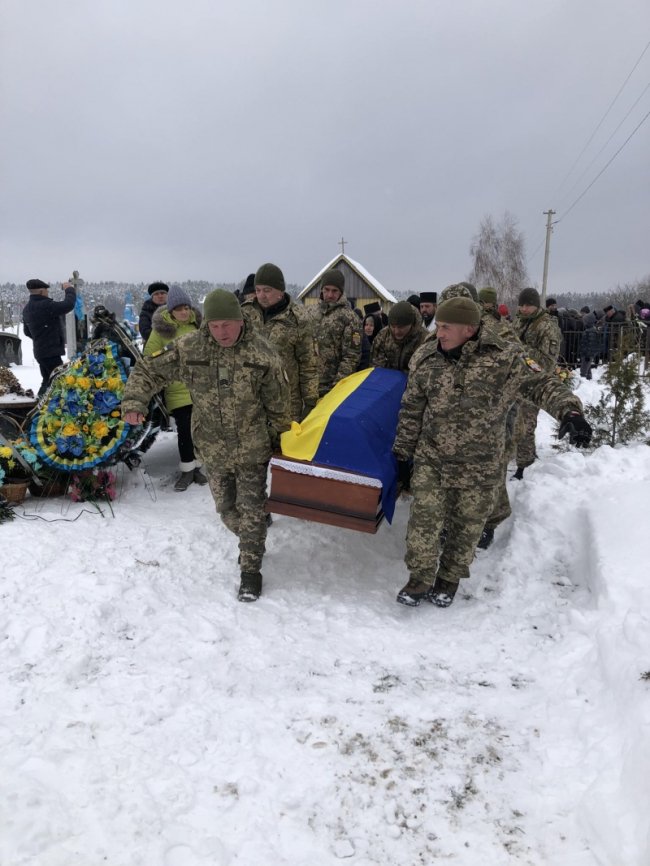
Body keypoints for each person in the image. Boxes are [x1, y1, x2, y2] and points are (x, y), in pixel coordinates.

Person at [392, 297, 591, 609]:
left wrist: (571, 413)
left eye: (446, 327)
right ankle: (419, 578)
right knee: (424, 520)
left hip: (480, 463)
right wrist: (403, 456)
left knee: (466, 526)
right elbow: (411, 410)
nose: (438, 332)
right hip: (434, 459)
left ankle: (448, 580)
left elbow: (542, 384)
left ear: (469, 329)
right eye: (438, 325)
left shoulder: (505, 357)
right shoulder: (426, 356)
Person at [122, 289, 291, 602]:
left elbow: (279, 404)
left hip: (251, 446)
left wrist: (280, 440)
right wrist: (135, 400)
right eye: (214, 326)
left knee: (251, 509)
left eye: (227, 324)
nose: (221, 332)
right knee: (227, 509)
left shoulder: (262, 353)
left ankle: (251, 568)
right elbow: (148, 369)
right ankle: (251, 539)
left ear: (240, 321)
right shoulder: (190, 348)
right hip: (211, 445)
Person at [143, 284, 208, 491]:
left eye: (186, 308)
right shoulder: (161, 330)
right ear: (171, 311)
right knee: (185, 429)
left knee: (200, 430)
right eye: (179, 309)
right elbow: (149, 358)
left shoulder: (197, 326)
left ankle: (197, 467)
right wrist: (168, 354)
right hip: (177, 388)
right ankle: (187, 470)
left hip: (199, 387)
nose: (184, 312)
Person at [242, 263, 318, 422]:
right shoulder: (246, 313)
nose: (261, 295)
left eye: (267, 290)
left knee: (284, 445)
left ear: (280, 291)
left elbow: (308, 363)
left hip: (286, 402)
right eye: (258, 290)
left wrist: (310, 401)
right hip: (251, 400)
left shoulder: (298, 319)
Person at [512, 287, 561, 479]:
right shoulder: (519, 321)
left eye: (528, 305)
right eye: (522, 305)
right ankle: (515, 456)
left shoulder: (546, 326)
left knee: (525, 425)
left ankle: (524, 467)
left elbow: (547, 362)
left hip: (534, 383)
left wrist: (520, 349)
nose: (524, 309)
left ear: (536, 306)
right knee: (511, 422)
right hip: (514, 380)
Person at [310, 268, 362, 397]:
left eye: (334, 291)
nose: (330, 295)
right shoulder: (310, 313)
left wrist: (337, 388)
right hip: (308, 386)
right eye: (326, 289)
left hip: (331, 388)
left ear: (341, 292)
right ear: (321, 289)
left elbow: (351, 357)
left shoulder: (350, 318)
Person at [22, 278, 76, 395]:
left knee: (47, 381)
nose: (48, 293)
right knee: (59, 382)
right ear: (41, 291)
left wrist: (40, 337)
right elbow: (68, 305)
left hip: (40, 352)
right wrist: (69, 289)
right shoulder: (46, 305)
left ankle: (39, 404)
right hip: (51, 352)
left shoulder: (26, 309)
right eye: (46, 290)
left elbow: (27, 331)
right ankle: (47, 408)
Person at [370, 301, 428, 372]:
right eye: (393, 326)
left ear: (411, 324)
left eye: (401, 327)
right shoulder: (383, 336)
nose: (396, 331)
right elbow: (376, 364)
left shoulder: (425, 340)